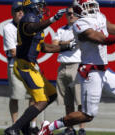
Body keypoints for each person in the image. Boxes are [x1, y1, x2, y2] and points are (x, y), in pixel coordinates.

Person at [38, 0, 115, 135]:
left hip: (103, 70)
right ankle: (48, 127)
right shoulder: (79, 24)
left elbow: (111, 28)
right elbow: (103, 40)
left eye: (92, 5)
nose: (92, 9)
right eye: (87, 6)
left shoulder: (99, 16)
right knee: (87, 115)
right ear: (78, 9)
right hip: (90, 71)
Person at [4, 0, 75, 134]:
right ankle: (13, 128)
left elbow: (44, 47)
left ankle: (23, 125)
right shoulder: (28, 20)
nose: (42, 9)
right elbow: (32, 28)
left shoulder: (35, 21)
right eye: (39, 6)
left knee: (52, 94)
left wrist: (67, 46)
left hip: (31, 65)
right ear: (31, 7)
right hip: (24, 66)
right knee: (41, 101)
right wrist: (53, 19)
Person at [3, 1, 39, 134]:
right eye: (17, 10)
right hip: (16, 66)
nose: (20, 12)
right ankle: (15, 126)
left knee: (35, 96)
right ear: (12, 13)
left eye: (22, 10)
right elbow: (13, 52)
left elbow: (39, 46)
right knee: (15, 97)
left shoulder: (31, 25)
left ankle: (32, 125)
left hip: (31, 65)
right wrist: (29, 50)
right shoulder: (9, 28)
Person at [52, 7, 86, 135]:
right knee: (67, 102)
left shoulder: (80, 28)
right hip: (63, 66)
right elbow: (54, 44)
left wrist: (61, 44)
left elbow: (76, 42)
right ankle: (70, 129)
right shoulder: (61, 29)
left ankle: (82, 128)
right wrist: (66, 43)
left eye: (73, 14)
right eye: (69, 14)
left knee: (80, 101)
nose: (71, 16)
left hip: (76, 65)